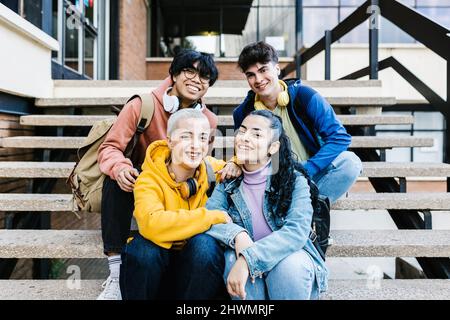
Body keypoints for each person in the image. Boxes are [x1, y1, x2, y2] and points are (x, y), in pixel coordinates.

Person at [96, 50, 240, 300]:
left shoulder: (208, 119)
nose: (197, 79)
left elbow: (205, 160)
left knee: (204, 248)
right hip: (142, 179)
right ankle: (116, 271)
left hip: (182, 183)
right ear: (173, 74)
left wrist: (236, 161)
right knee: (115, 181)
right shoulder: (142, 104)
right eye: (189, 71)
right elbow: (110, 148)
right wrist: (120, 168)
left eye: (205, 77)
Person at [206, 110, 328, 300]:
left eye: (256, 134)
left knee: (289, 266)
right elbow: (210, 216)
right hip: (245, 263)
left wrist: (249, 258)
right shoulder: (228, 180)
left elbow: (296, 231)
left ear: (273, 147)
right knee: (231, 258)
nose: (245, 138)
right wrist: (238, 235)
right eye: (242, 131)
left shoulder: (293, 181)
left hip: (288, 261)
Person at [120, 109, 241, 300]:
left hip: (197, 273)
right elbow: (152, 224)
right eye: (186, 136)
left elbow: (248, 161)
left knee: (205, 246)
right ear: (169, 141)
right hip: (158, 267)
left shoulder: (212, 169)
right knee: (142, 250)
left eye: (202, 138)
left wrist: (236, 162)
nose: (195, 145)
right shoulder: (148, 179)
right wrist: (211, 216)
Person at [234, 41, 362, 204]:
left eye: (263, 70)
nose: (258, 79)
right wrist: (235, 163)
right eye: (250, 75)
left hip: (311, 173)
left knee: (350, 163)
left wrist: (307, 169)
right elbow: (243, 154)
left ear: (277, 69)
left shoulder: (305, 96)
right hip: (271, 180)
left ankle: (306, 210)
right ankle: (301, 211)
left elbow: (339, 138)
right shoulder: (244, 113)